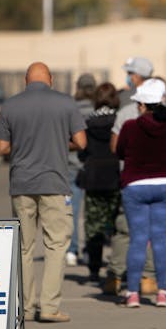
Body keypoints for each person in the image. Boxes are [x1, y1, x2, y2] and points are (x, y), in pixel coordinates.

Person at [0, 62, 86, 323]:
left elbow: (1, 148)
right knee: (56, 244)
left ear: (26, 81)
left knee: (24, 247)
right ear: (51, 80)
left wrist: (23, 146)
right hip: (55, 182)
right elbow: (81, 142)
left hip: (22, 184)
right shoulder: (66, 103)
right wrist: (57, 142)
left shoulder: (10, 105)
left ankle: (24, 307)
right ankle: (49, 307)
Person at [104, 58, 166, 296]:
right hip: (165, 182)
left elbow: (116, 149)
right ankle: (159, 287)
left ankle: (128, 288)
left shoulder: (128, 120)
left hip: (133, 182)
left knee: (132, 236)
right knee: (161, 238)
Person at [76, 83, 121, 283]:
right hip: (115, 176)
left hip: (93, 177)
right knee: (117, 225)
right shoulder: (120, 121)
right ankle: (117, 269)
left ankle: (94, 269)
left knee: (94, 226)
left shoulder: (87, 122)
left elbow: (81, 151)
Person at [66, 73, 96, 267]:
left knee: (72, 211)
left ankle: (72, 250)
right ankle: (90, 250)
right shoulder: (96, 109)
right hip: (93, 166)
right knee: (92, 212)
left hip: (71, 165)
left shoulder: (70, 109)